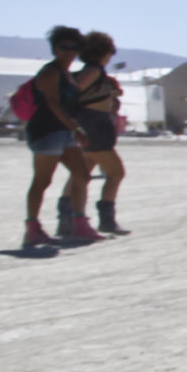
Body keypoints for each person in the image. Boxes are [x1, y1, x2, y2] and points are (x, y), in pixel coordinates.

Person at [20, 25, 95, 249]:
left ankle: (79, 222)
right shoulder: (50, 72)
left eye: (74, 47)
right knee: (42, 181)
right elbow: (53, 104)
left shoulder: (66, 74)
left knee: (82, 175)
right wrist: (76, 128)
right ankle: (32, 229)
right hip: (46, 131)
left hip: (63, 132)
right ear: (55, 48)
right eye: (64, 47)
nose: (69, 51)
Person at [68, 31, 130, 235]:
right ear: (103, 53)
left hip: (90, 125)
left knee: (81, 174)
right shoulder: (93, 71)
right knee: (116, 172)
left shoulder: (94, 72)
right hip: (93, 127)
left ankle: (68, 219)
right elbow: (73, 93)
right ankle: (106, 220)